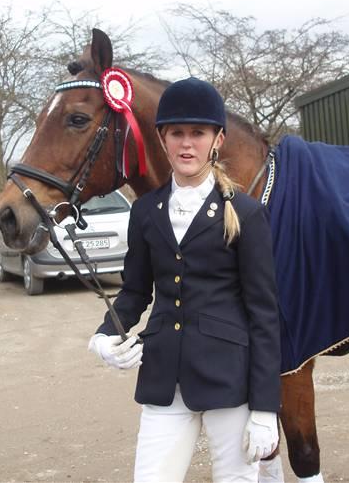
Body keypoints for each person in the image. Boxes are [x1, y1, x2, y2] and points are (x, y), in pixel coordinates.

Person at [89, 77, 282, 482]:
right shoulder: (145, 211)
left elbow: (264, 315)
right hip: (164, 377)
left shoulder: (245, 213)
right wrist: (106, 335)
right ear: (162, 139)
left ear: (217, 140)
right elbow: (136, 291)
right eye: (177, 132)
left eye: (198, 132)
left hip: (230, 380)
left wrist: (265, 409)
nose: (187, 143)